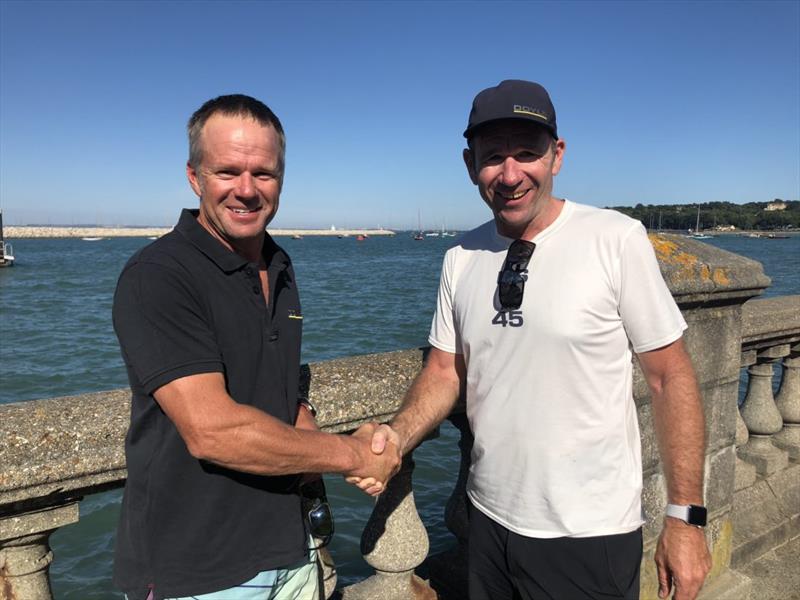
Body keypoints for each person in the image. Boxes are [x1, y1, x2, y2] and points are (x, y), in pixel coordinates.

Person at [356, 80, 712, 600]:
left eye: (528, 153)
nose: (510, 174)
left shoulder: (615, 239)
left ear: (557, 155)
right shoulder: (460, 256)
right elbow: (442, 371)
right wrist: (395, 437)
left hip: (589, 531)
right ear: (468, 163)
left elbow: (669, 376)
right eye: (492, 157)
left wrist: (685, 519)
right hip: (486, 518)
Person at [112, 94, 400, 600]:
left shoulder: (278, 263)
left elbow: (270, 378)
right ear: (194, 176)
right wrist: (352, 454)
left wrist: (301, 412)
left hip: (294, 550)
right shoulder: (158, 275)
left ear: (281, 179)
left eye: (263, 173)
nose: (246, 190)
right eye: (227, 171)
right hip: (201, 572)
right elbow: (213, 431)